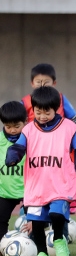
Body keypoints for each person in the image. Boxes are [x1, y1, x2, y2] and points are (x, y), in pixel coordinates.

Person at [5, 86, 76, 256]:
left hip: (61, 184)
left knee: (56, 214)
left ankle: (59, 240)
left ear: (56, 109)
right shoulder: (29, 129)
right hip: (37, 185)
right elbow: (18, 147)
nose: (42, 116)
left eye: (47, 112)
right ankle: (42, 254)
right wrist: (12, 157)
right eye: (38, 112)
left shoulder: (69, 128)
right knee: (36, 221)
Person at [22, 63, 76, 140]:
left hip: (59, 142)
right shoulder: (25, 102)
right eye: (38, 82)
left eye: (46, 82)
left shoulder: (61, 99)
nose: (42, 85)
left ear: (54, 83)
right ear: (32, 83)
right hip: (35, 144)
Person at [0, 101, 27, 238]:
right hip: (5, 191)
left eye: (17, 126)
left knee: (38, 221)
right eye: (8, 126)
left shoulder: (32, 139)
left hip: (29, 191)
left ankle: (39, 247)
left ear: (25, 122)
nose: (12, 130)